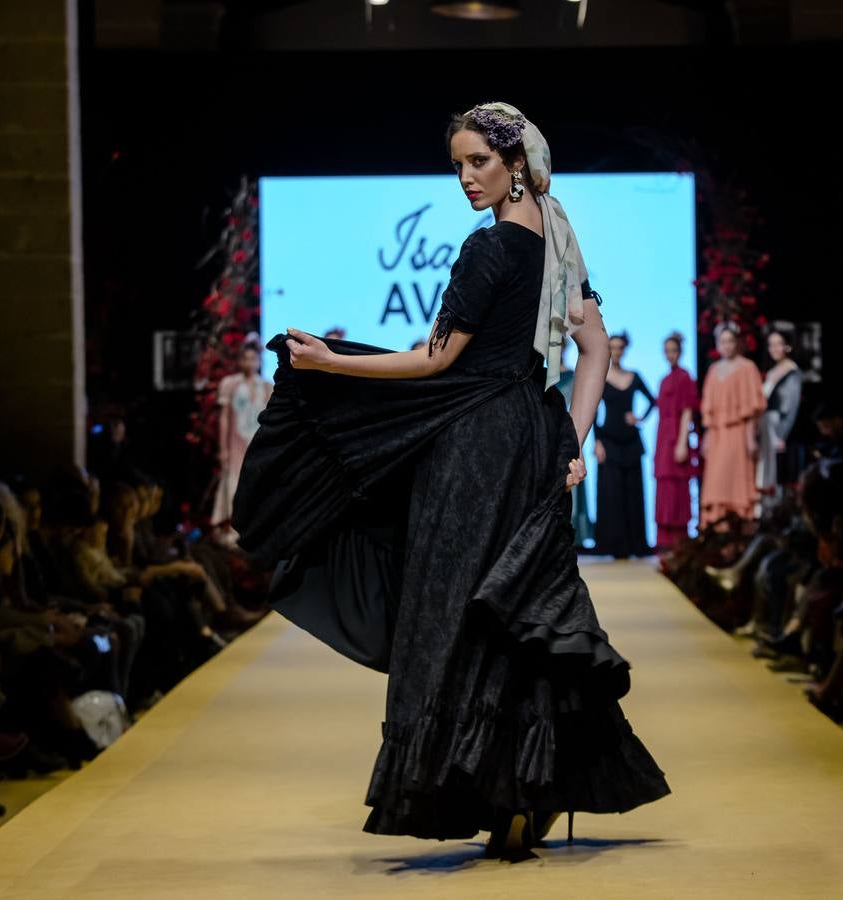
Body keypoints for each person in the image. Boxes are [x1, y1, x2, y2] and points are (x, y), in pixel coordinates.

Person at [232, 101, 668, 858]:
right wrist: (571, 435)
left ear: (517, 164)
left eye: (479, 162)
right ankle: (520, 793)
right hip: (527, 434)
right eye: (458, 164)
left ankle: (482, 786)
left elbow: (436, 362)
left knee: (455, 608)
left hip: (474, 447)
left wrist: (332, 363)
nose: (466, 178)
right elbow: (592, 351)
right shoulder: (560, 242)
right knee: (514, 608)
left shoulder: (491, 248)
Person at [593, 332, 656, 558]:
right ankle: (614, 545)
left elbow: (652, 401)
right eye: (613, 347)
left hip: (630, 442)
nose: (617, 351)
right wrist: (597, 442)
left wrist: (639, 418)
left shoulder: (634, 376)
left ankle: (635, 544)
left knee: (632, 493)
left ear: (625, 349)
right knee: (612, 495)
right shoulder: (601, 377)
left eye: (620, 347)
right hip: (609, 440)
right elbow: (592, 412)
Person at [699, 324, 764, 527]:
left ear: (737, 343)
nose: (726, 346)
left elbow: (752, 407)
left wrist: (750, 436)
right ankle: (717, 531)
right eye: (722, 341)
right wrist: (708, 438)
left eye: (730, 341)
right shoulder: (713, 370)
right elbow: (709, 409)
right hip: (718, 434)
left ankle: (738, 532)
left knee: (736, 481)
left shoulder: (747, 368)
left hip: (737, 433)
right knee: (716, 483)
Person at [212, 339, 274, 547]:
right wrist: (223, 448)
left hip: (257, 442)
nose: (250, 363)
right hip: (236, 441)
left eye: (254, 359)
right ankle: (232, 528)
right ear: (240, 360)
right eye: (246, 358)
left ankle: (254, 528)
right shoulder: (230, 384)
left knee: (258, 483)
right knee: (233, 482)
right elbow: (224, 417)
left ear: (259, 361)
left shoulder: (266, 387)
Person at [653, 331, 697, 551]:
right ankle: (664, 539)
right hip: (662, 436)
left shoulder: (684, 377)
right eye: (666, 351)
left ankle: (678, 539)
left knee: (676, 486)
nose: (669, 355)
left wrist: (682, 442)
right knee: (664, 486)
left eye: (673, 351)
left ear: (679, 352)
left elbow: (687, 411)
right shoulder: (664, 379)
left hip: (675, 436)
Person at [756, 327, 802, 514]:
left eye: (778, 344)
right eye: (771, 345)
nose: (774, 349)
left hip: (778, 430)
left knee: (779, 474)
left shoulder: (792, 372)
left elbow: (791, 407)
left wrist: (781, 434)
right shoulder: (773, 371)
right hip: (766, 429)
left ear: (787, 346)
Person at [554, 341, 594, 547]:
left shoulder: (573, 376)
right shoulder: (543, 376)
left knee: (574, 482)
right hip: (548, 435)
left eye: (562, 345)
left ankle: (575, 534)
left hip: (570, 434)